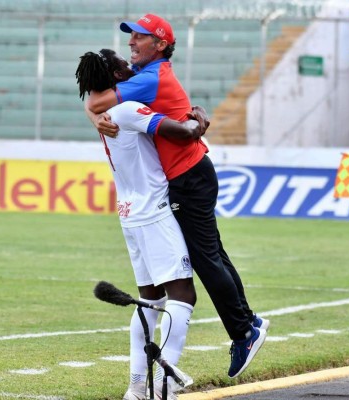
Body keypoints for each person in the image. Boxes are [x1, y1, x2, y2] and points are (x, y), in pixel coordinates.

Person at [85, 13, 268, 379]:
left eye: (139, 37)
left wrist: (197, 126)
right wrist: (95, 116)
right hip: (189, 175)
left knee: (204, 259)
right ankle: (248, 324)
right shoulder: (144, 76)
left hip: (188, 177)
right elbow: (95, 101)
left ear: (161, 45)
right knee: (211, 253)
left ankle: (245, 331)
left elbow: (97, 101)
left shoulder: (149, 78)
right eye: (130, 37)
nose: (131, 43)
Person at [77, 49, 202, 400]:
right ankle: (164, 385)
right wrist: (199, 120)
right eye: (122, 62)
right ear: (116, 77)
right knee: (183, 295)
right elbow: (182, 133)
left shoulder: (105, 112)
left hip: (130, 212)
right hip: (154, 211)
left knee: (151, 299)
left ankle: (136, 386)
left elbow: (92, 102)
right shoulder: (129, 110)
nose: (129, 64)